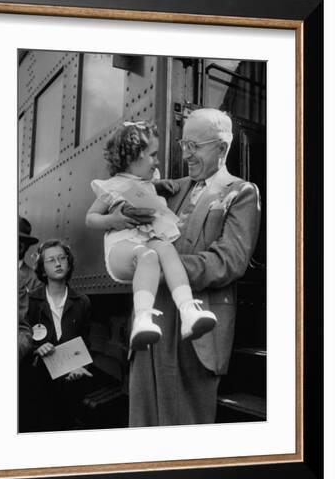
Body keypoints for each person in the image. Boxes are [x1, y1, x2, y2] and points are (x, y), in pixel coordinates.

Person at [126, 108, 261, 426]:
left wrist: (163, 265)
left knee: (185, 433)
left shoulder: (241, 192)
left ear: (222, 148)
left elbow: (229, 261)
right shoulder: (170, 188)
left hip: (198, 326)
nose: (185, 154)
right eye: (183, 144)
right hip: (153, 317)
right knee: (142, 425)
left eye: (194, 146)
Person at [85, 120, 217, 351]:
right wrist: (112, 220)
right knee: (148, 256)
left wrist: (158, 185)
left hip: (147, 238)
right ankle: (142, 320)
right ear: (133, 158)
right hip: (122, 246)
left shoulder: (148, 181)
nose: (157, 161)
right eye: (153, 155)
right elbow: (90, 218)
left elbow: (145, 188)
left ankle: (188, 311)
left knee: (166, 249)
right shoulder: (113, 185)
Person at [19, 239, 93, 432]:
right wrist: (36, 349)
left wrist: (81, 365)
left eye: (62, 258)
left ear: (69, 263)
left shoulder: (82, 302)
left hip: (69, 385)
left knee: (65, 426)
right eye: (51, 260)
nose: (58, 263)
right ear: (42, 269)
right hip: (37, 384)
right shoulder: (31, 300)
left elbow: (85, 342)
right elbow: (21, 336)